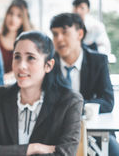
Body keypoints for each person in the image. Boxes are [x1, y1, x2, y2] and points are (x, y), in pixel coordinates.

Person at [0, 31, 83, 155]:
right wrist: (31, 149)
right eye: (17, 57)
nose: (21, 66)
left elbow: (65, 154)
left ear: (48, 65)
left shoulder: (70, 101)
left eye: (31, 58)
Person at [50, 13, 118, 156]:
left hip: (91, 129)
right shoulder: (48, 64)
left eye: (64, 32)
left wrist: (75, 108)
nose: (59, 39)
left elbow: (107, 101)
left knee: (112, 149)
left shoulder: (98, 61)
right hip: (56, 131)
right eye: (55, 34)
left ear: (80, 34)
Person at [0, 0, 32, 83]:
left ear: (23, 20)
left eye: (19, 16)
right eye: (11, 13)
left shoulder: (26, 43)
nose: (13, 19)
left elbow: (29, 67)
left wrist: (10, 75)